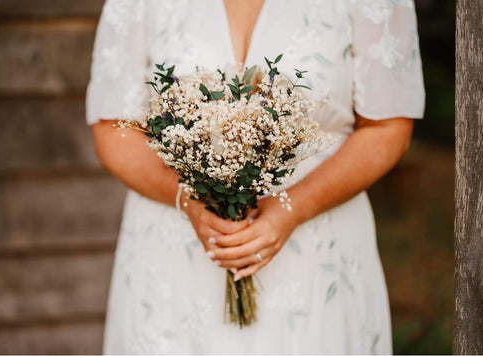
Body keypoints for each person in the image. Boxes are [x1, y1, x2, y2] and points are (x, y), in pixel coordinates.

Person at [86, 0, 425, 353]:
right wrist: (187, 200)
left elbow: (387, 126)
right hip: (172, 258)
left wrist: (294, 207)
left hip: (316, 255)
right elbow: (113, 127)